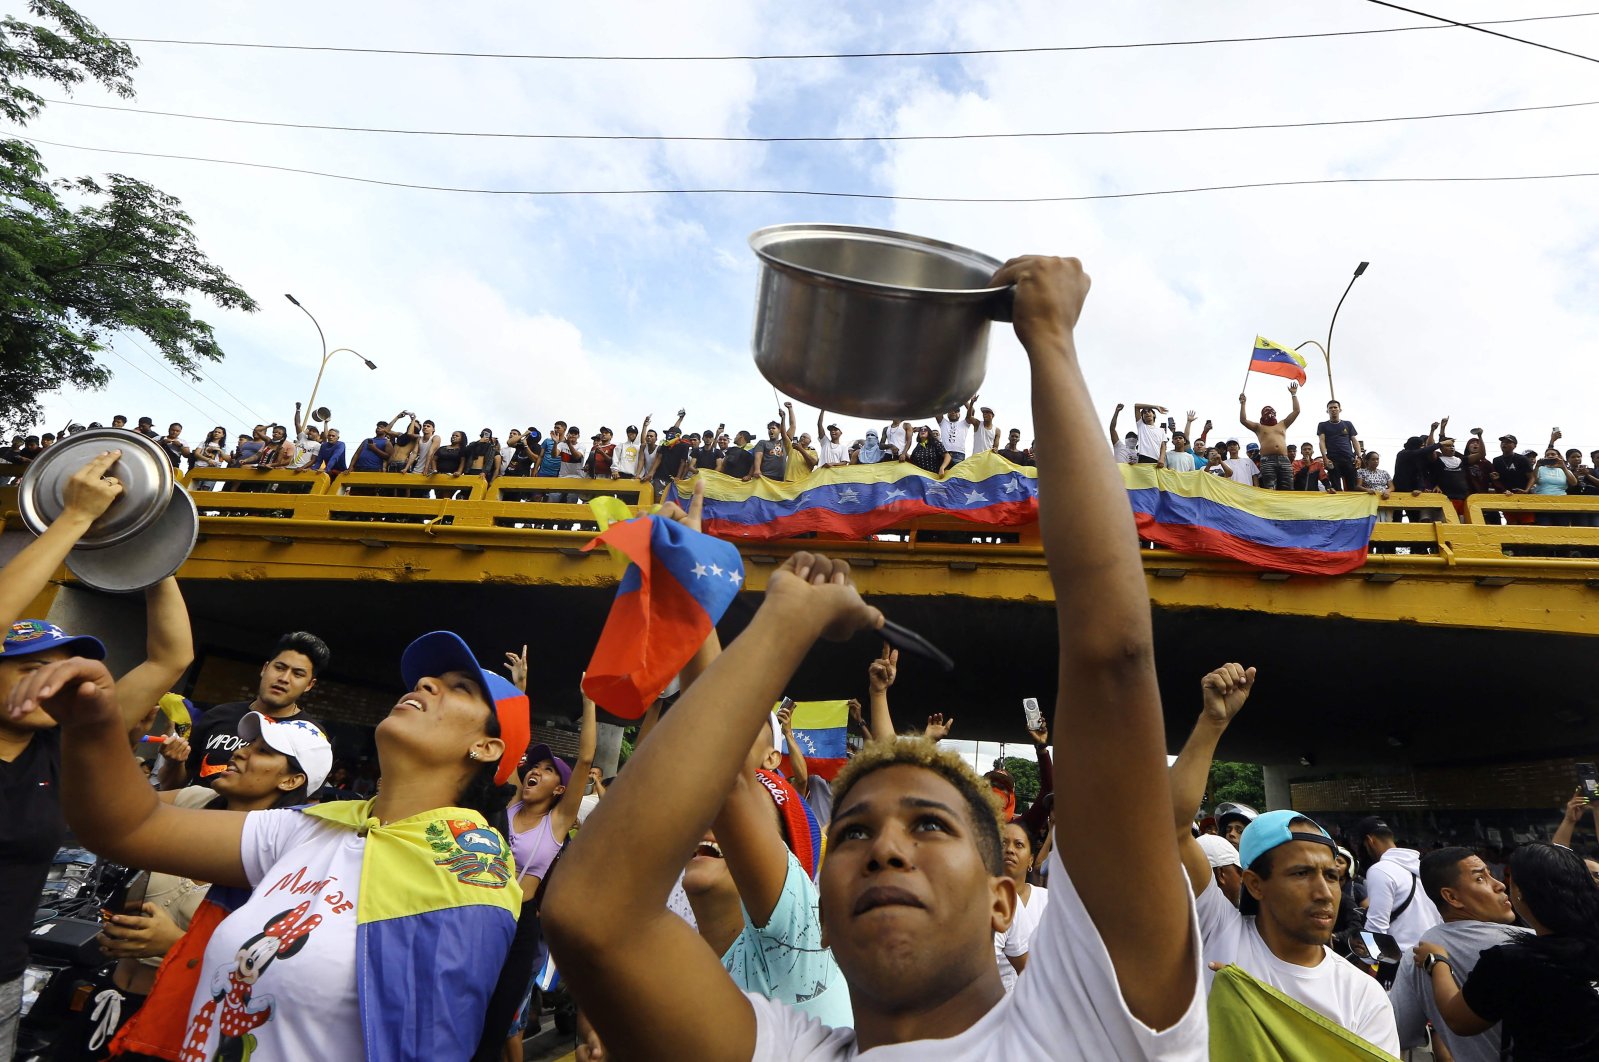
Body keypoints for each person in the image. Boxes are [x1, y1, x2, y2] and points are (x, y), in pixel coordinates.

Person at [545, 255, 1206, 1059]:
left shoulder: (1093, 1021)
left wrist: (1050, 342)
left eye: (928, 825)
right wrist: (783, 623)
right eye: (852, 835)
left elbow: (1113, 657)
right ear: (818, 912)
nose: (886, 848)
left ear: (1004, 902)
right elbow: (592, 919)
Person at [13, 629, 529, 1060]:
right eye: (427, 677)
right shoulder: (312, 827)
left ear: (486, 747)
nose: (425, 683)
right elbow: (128, 828)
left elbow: (430, 1046)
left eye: (458, 687)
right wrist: (94, 721)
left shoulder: (468, 874)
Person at [0, 450, 195, 1060]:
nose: (49, 684)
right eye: (29, 669)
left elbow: (170, 660)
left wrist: (144, 544)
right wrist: (74, 520)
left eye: (62, 673)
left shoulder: (62, 747)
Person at [1168, 664, 1399, 1054]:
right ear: (1255, 884)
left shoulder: (1362, 995)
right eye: (1301, 873)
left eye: (1331, 875)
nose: (1325, 892)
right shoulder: (1218, 930)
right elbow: (1171, 823)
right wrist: (1212, 722)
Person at [98, 714, 334, 1057]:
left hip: (174, 1030)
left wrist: (176, 944)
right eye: (248, 743)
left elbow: (271, 968)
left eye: (263, 751)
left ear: (291, 781)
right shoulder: (195, 801)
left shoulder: (288, 864)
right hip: (109, 997)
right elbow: (108, 807)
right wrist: (124, 737)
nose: (240, 752)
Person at [1414, 842, 1599, 1060]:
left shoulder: (1513, 962)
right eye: (1482, 878)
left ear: (1523, 894)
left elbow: (1458, 1020)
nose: (1501, 885)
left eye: (1511, 879)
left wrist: (1436, 962)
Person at [1389, 848, 1529, 1062]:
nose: (1499, 884)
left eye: (1491, 874)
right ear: (1452, 897)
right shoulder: (1533, 943)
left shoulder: (1416, 956)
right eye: (1481, 878)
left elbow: (1401, 1033)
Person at [167, 631, 330, 788]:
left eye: (298, 674)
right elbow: (173, 785)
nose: (284, 678)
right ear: (265, 668)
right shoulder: (219, 715)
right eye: (279, 667)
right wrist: (174, 762)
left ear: (309, 684)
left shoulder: (311, 736)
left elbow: (309, 802)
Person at [1355, 814, 1442, 951]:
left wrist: (1366, 962)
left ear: (1369, 841)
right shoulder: (1421, 867)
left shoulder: (1380, 870)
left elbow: (1376, 925)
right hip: (1432, 956)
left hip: (1401, 961)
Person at [993, 819, 1050, 993]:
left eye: (1018, 845)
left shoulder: (1048, 901)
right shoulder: (982, 899)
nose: (1009, 849)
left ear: (1031, 860)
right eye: (1003, 843)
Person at [1238, 384, 1299, 489]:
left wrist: (1294, 394)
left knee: (1288, 488)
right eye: (1266, 412)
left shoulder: (1283, 424)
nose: (1269, 414)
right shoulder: (1259, 427)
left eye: (1271, 411)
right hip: (1267, 461)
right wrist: (1243, 403)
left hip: (1284, 459)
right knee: (1270, 488)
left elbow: (1296, 411)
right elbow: (1243, 420)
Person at [1316, 400, 1362, 492]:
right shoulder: (1323, 425)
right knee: (1336, 487)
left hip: (1349, 459)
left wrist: (1359, 456)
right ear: (1327, 411)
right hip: (1333, 460)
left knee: (1352, 487)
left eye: (1335, 407)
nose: (1333, 409)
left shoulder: (1347, 424)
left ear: (1340, 409)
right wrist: (1325, 457)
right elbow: (1322, 441)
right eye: (1330, 408)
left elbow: (1354, 441)